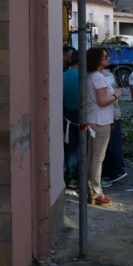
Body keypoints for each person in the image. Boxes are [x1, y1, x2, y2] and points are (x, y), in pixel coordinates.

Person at [86, 47, 122, 206]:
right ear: (97, 60)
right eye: (105, 57)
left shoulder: (89, 76)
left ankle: (91, 189)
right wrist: (116, 95)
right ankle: (96, 192)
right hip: (100, 121)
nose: (108, 59)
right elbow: (102, 101)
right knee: (97, 158)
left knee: (91, 157)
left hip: (93, 119)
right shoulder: (99, 78)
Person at [102, 69, 127, 184]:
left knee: (110, 145)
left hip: (109, 116)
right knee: (111, 145)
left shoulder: (107, 76)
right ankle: (113, 171)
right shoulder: (105, 77)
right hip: (109, 116)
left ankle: (113, 171)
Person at [62, 50, 80, 189]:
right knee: (85, 147)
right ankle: (82, 176)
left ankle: (72, 176)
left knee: (71, 146)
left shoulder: (62, 76)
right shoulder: (83, 77)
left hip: (67, 114)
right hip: (82, 113)